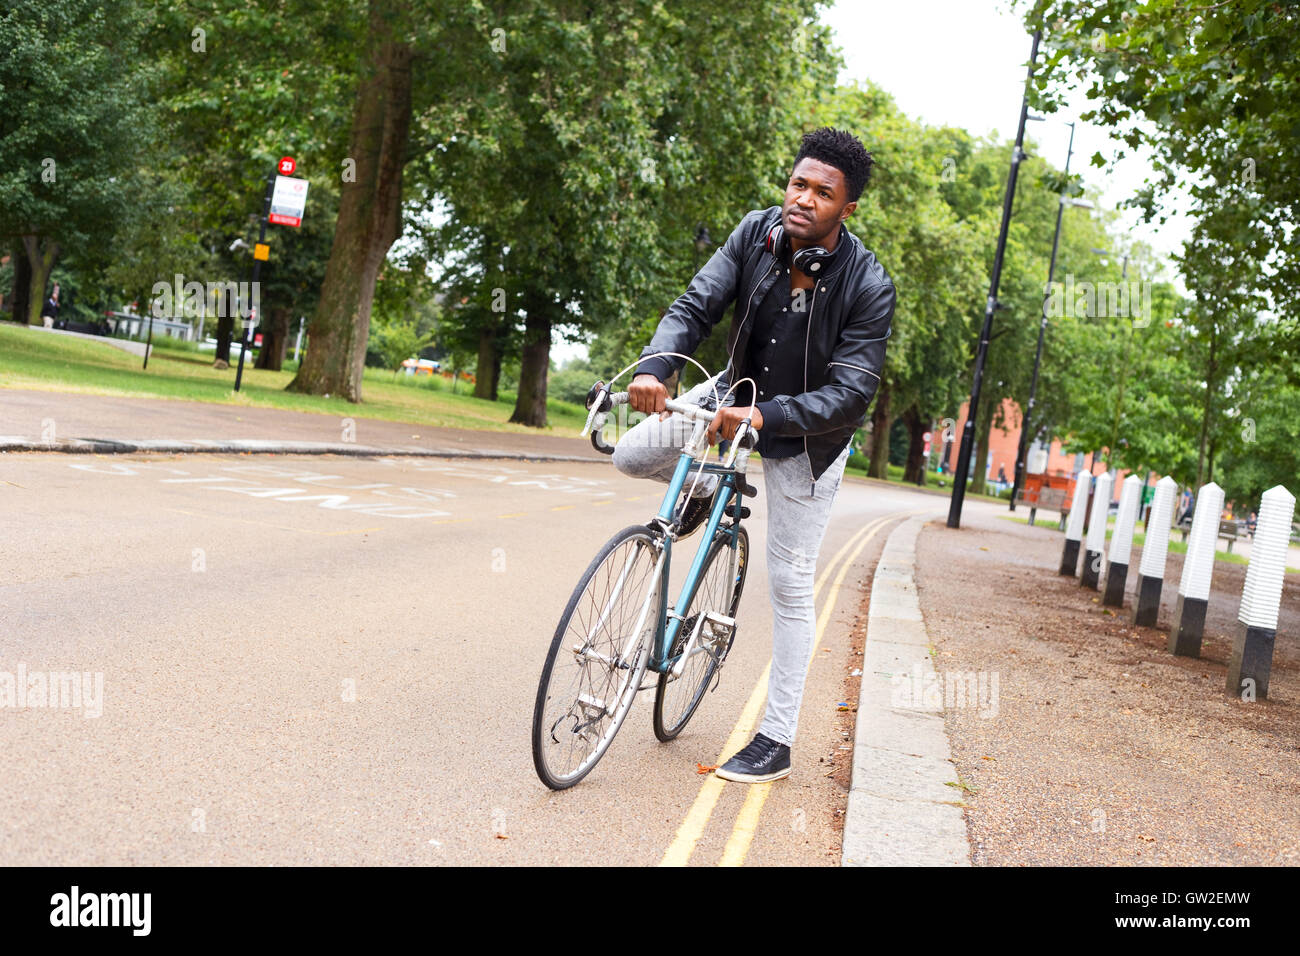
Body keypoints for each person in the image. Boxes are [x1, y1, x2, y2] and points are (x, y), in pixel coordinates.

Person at [612, 127, 895, 784]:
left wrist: (767, 416)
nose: (804, 199)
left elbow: (851, 392)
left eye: (823, 193)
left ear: (847, 209)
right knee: (632, 455)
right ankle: (707, 491)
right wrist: (658, 367)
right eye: (799, 183)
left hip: (805, 437)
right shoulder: (753, 233)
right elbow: (695, 305)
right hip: (732, 394)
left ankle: (776, 741)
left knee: (792, 584)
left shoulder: (869, 285)